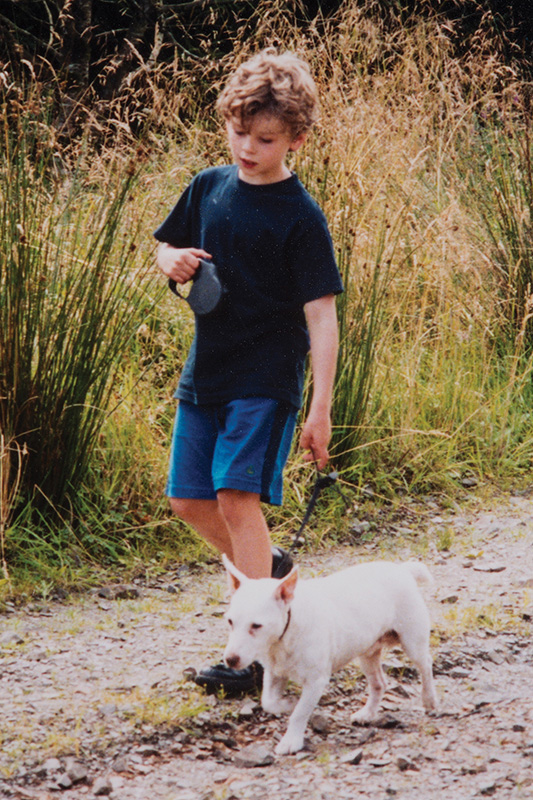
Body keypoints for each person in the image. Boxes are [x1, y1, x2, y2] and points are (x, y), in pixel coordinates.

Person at [154, 48, 343, 694]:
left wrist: (319, 408)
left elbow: (321, 317)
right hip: (205, 373)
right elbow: (164, 243)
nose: (246, 147)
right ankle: (269, 573)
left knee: (236, 497)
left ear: (295, 138)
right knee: (186, 499)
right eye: (238, 132)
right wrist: (170, 259)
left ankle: (253, 663)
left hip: (266, 379)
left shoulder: (301, 216)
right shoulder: (208, 186)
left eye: (263, 139)